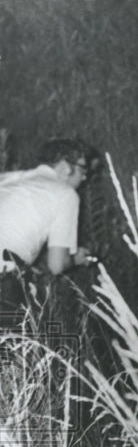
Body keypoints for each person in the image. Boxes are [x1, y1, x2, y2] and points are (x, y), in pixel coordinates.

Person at [0, 139, 93, 325]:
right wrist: (77, 259)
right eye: (83, 169)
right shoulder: (65, 194)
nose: (84, 177)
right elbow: (57, 265)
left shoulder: (10, 178)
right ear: (66, 166)